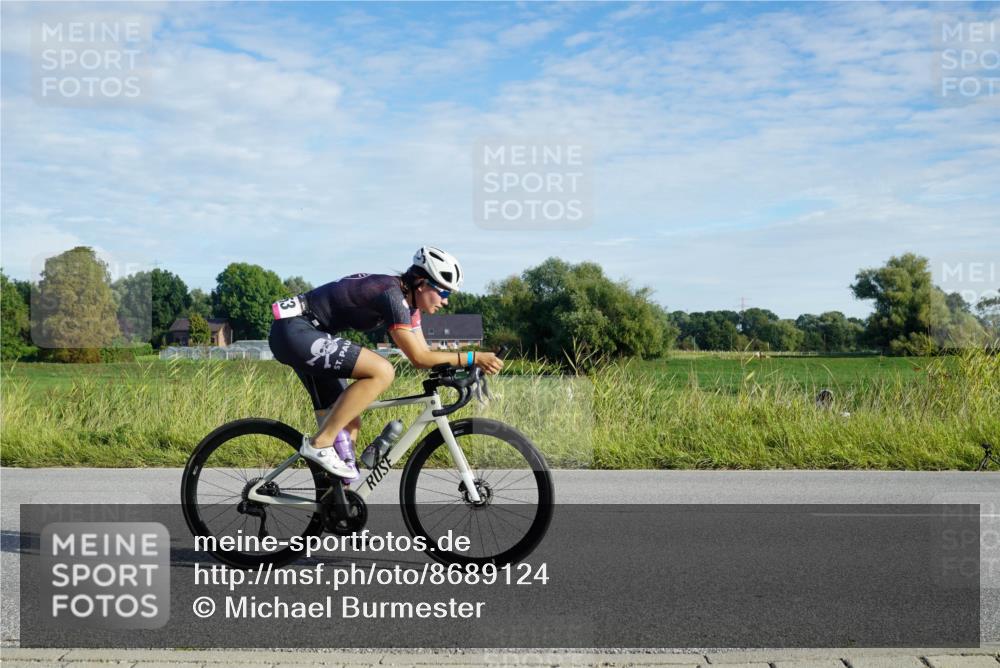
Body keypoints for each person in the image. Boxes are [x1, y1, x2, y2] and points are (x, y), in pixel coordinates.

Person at [267, 246, 503, 479]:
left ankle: (334, 504)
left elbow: (425, 353)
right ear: (421, 283)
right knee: (382, 371)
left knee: (349, 425)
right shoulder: (392, 295)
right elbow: (418, 358)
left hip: (306, 336)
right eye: (444, 293)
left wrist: (465, 365)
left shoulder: (409, 306)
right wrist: (474, 357)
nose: (446, 301)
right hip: (296, 331)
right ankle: (320, 443)